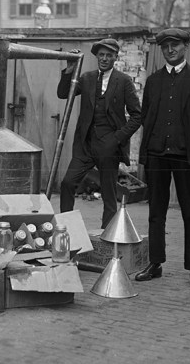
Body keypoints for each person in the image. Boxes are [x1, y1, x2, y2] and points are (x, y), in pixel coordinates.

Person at [134, 28, 190, 291]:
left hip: (186, 158)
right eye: (165, 47)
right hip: (157, 155)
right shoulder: (154, 81)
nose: (170, 50)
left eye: (175, 45)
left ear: (185, 47)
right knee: (155, 213)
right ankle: (155, 263)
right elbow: (147, 116)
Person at [56, 38, 142, 227]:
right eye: (101, 55)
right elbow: (63, 93)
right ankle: (66, 230)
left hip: (109, 147)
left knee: (109, 194)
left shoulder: (124, 81)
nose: (104, 59)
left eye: (109, 55)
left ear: (115, 58)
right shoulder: (86, 78)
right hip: (85, 145)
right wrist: (69, 69)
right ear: (97, 57)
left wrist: (117, 138)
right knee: (67, 183)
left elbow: (137, 116)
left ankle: (107, 238)